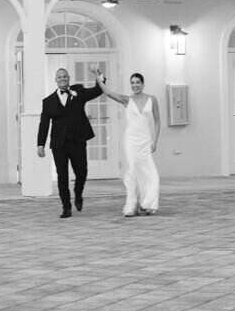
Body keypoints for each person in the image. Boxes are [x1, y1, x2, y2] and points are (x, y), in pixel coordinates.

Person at [92, 67, 160, 217]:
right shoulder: (127, 100)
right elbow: (108, 92)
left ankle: (145, 204)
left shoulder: (152, 99)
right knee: (132, 171)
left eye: (137, 82)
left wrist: (155, 141)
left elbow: (157, 121)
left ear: (143, 84)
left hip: (145, 140)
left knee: (150, 174)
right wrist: (98, 77)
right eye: (132, 83)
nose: (134, 85)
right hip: (131, 140)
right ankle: (131, 205)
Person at [37, 68, 104, 218]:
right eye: (59, 77)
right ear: (56, 80)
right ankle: (66, 207)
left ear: (69, 78)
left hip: (77, 140)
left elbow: (97, 91)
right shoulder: (48, 102)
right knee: (62, 175)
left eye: (64, 76)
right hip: (59, 144)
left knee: (82, 171)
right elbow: (44, 124)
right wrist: (40, 145)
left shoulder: (78, 91)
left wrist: (99, 76)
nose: (62, 79)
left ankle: (78, 193)